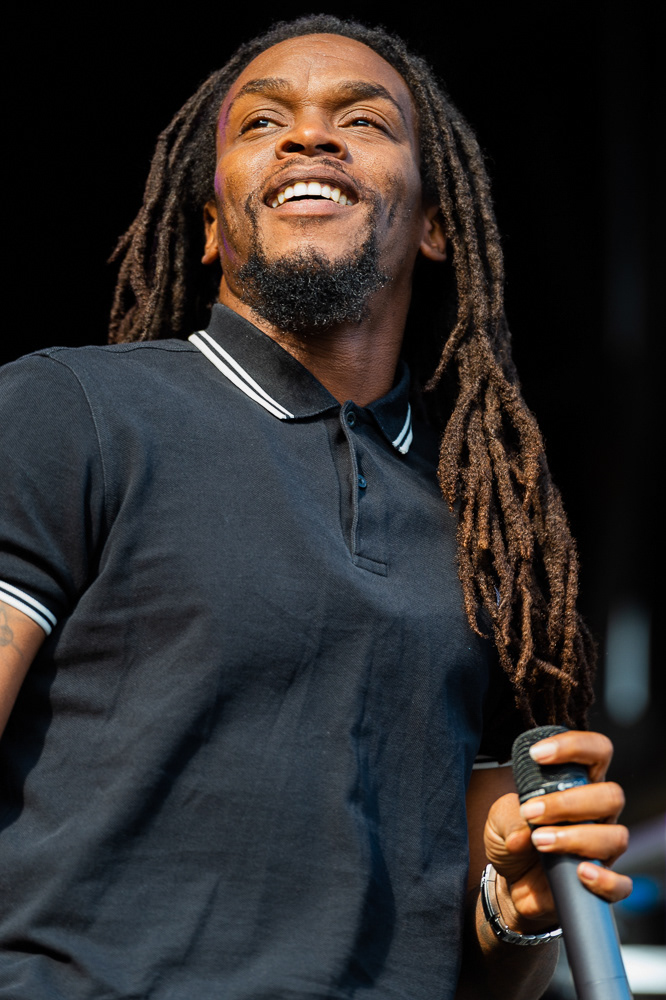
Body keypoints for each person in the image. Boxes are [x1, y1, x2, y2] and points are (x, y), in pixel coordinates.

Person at [0, 15, 631, 1000]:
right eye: (261, 122)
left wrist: (515, 911)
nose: (307, 135)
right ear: (212, 228)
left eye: (363, 120)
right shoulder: (68, 411)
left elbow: (480, 967)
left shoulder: (488, 531)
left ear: (436, 224)